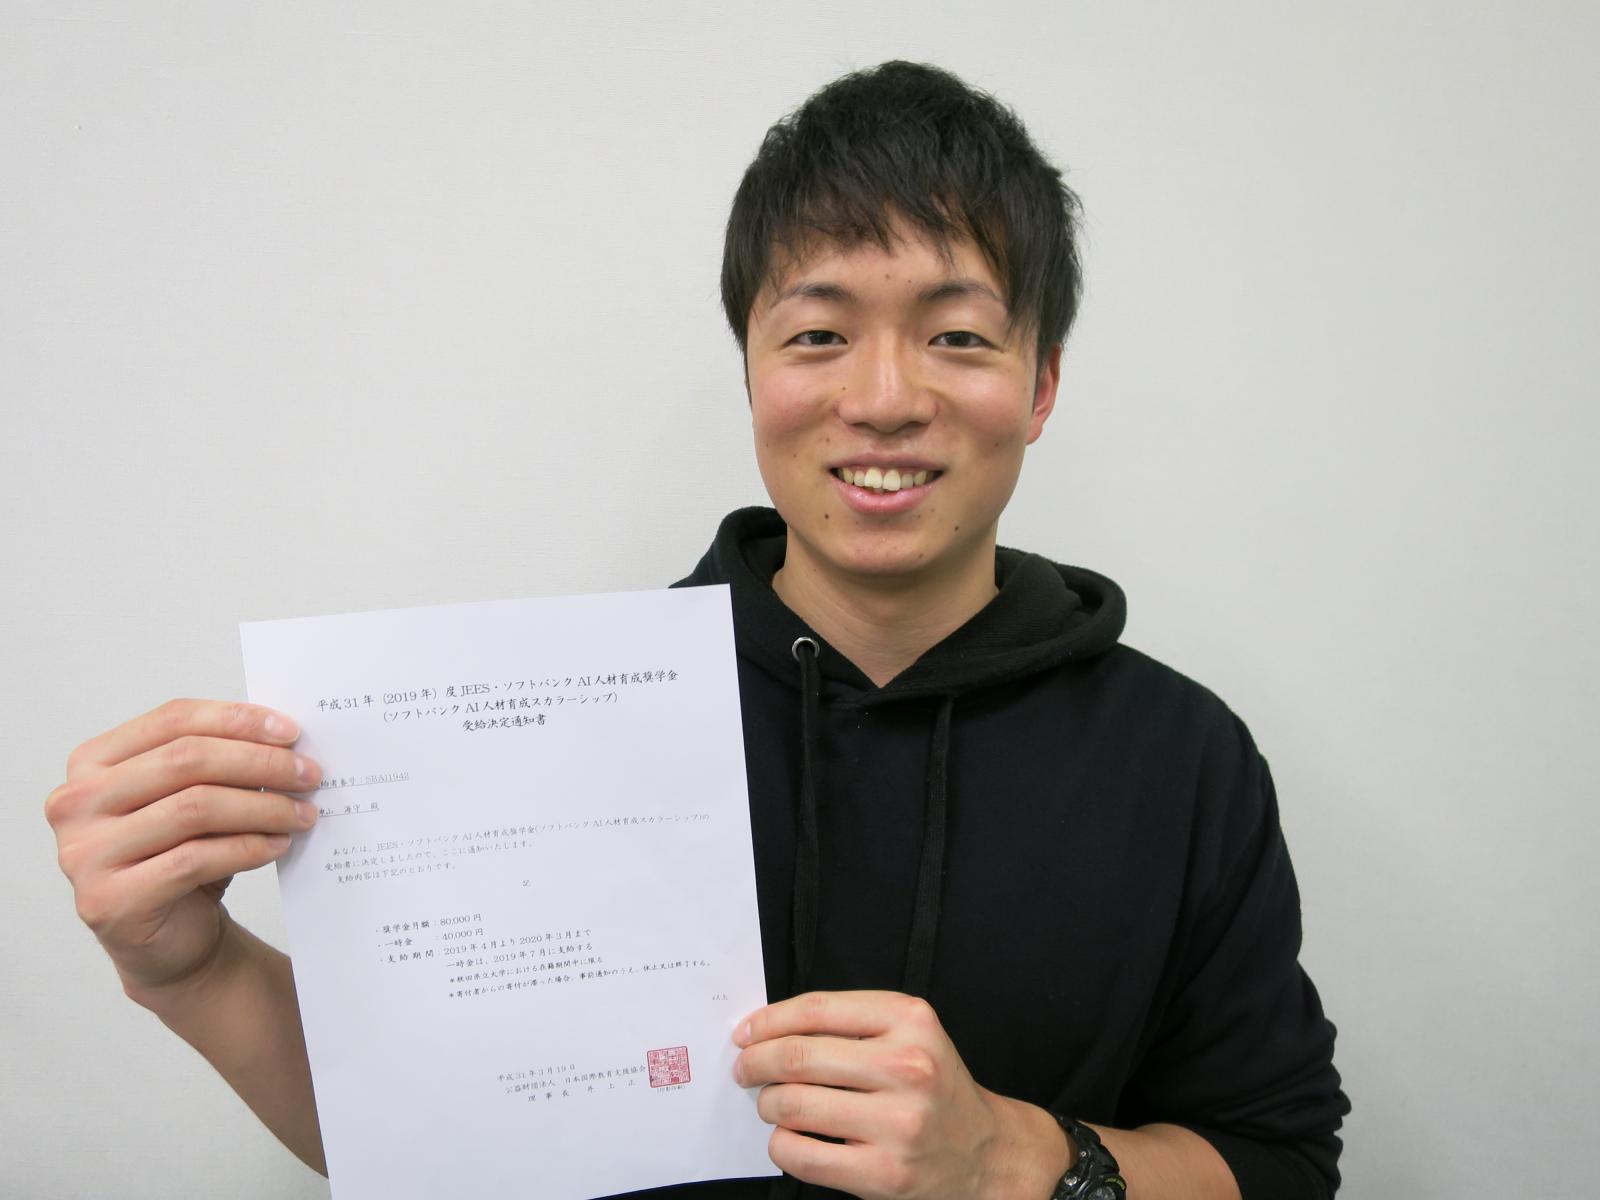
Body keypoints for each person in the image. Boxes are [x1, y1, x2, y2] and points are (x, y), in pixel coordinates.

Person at [44, 61, 1346, 1200]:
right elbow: (427, 1134)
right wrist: (190, 969)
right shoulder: (561, 718)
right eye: (819, 333)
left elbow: (1279, 1160)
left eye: (957, 335)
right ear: (752, 372)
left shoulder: (1180, 756)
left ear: (1041, 383)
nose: (883, 397)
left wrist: (1014, 1159)